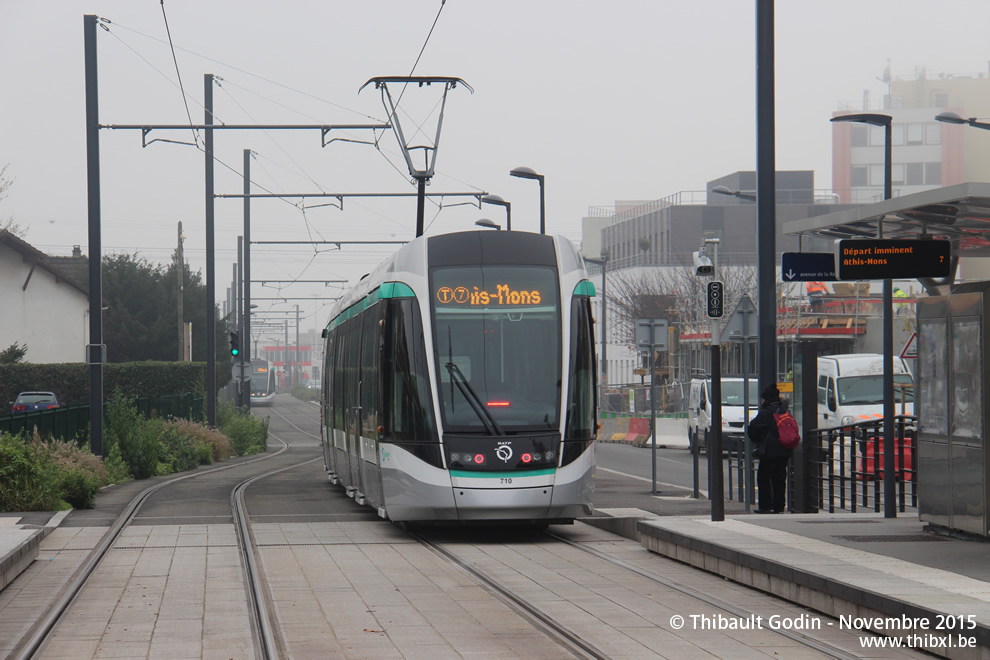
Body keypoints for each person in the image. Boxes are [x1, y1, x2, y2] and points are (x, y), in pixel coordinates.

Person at [747, 383, 793, 513]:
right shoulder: (785, 411)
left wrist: (757, 440)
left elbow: (752, 430)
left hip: (769, 452)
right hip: (784, 451)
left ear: (766, 399)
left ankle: (765, 506)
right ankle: (779, 506)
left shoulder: (766, 413)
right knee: (780, 478)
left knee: (764, 478)